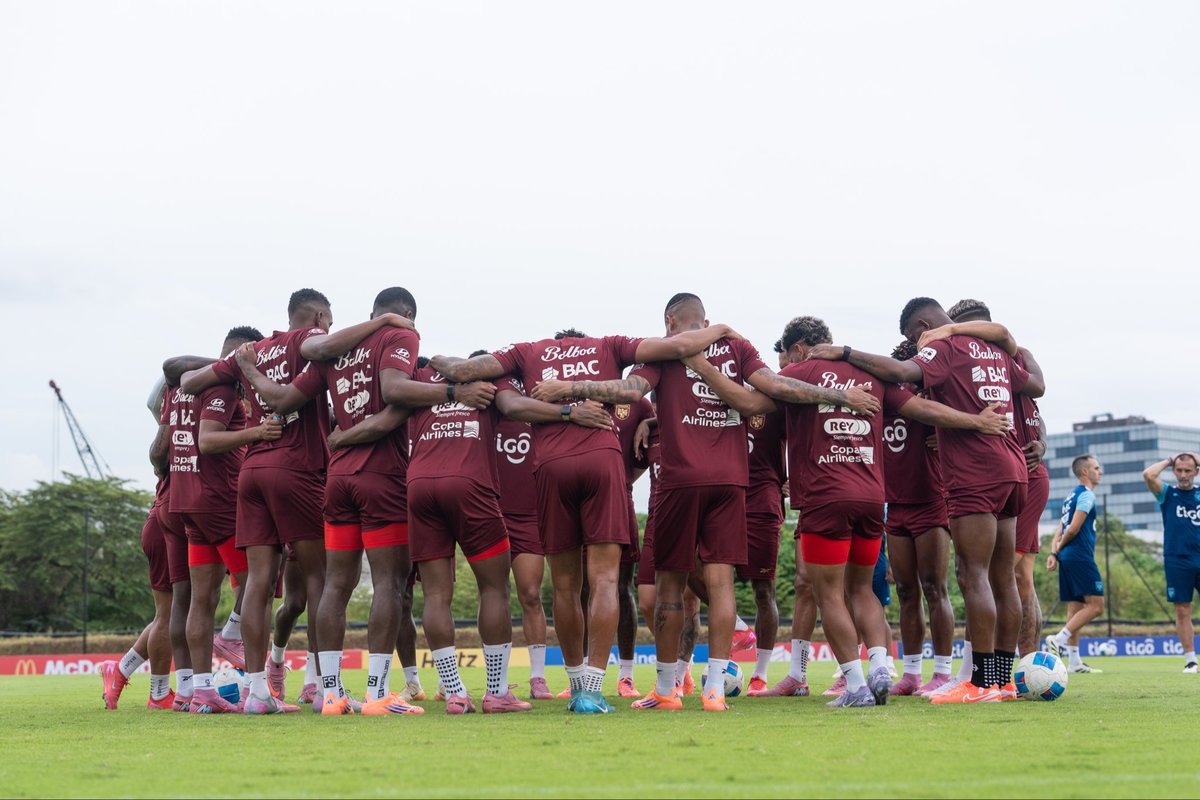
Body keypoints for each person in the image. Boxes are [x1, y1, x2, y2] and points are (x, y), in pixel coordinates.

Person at [533, 297, 880, 711]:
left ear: (669, 320)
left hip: (680, 480)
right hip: (733, 481)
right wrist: (839, 395)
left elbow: (628, 389)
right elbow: (772, 389)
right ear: (707, 321)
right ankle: (715, 690)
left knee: (670, 588)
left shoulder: (666, 350)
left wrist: (567, 389)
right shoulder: (737, 347)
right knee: (721, 584)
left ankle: (666, 691)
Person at [431, 318, 742, 714]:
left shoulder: (526, 351)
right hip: (601, 460)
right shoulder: (609, 345)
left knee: (564, 587)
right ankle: (593, 691)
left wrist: (427, 357)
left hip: (551, 467)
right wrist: (719, 330)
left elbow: (464, 373)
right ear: (584, 342)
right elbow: (677, 346)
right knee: (606, 580)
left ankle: (576, 683)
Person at [733, 315, 1011, 707]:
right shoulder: (872, 374)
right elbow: (923, 411)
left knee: (828, 594)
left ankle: (856, 685)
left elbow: (752, 397)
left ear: (798, 349)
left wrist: (699, 366)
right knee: (863, 590)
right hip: (871, 499)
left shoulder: (798, 372)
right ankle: (881, 665)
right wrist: (977, 422)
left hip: (825, 497)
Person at [181, 288, 413, 713]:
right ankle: (329, 688)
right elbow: (322, 347)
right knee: (323, 581)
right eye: (328, 321)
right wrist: (381, 322)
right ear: (320, 316)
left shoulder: (254, 351)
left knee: (257, 583)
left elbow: (188, 381)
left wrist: (243, 367)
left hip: (251, 472)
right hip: (295, 471)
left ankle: (256, 693)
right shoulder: (300, 341)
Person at [807, 298, 1044, 703]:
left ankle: (979, 683)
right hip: (1013, 469)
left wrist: (845, 353)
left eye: (913, 338)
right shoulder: (995, 350)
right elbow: (1030, 381)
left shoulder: (944, 345)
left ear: (922, 325)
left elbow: (901, 371)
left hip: (976, 472)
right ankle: (1001, 681)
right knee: (1003, 578)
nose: (916, 346)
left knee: (973, 576)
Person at [167, 326, 268, 713]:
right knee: (260, 579)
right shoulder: (223, 390)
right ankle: (248, 668)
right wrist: (257, 432)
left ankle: (198, 691)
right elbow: (208, 441)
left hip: (187, 498)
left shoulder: (180, 390)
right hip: (220, 499)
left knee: (201, 599)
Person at [948, 299, 1050, 659]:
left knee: (1012, 574)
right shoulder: (969, 366)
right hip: (1000, 470)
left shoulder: (1014, 354)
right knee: (1002, 575)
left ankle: (1023, 661)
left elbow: (1037, 394)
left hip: (1024, 473)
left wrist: (1042, 444)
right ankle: (1014, 662)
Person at [880, 340, 955, 698]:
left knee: (934, 588)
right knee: (906, 590)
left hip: (931, 503)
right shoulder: (882, 398)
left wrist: (947, 436)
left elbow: (968, 420)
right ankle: (910, 674)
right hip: (895, 506)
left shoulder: (934, 398)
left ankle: (942, 671)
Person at [480, 347, 555, 701]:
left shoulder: (530, 410)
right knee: (492, 595)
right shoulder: (477, 417)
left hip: (528, 517)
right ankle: (498, 680)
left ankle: (537, 678)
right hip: (488, 513)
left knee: (529, 594)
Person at [1045, 454, 1105, 673]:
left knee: (1076, 607)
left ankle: (1075, 663)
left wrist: (1054, 552)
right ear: (1084, 472)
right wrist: (1059, 549)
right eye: (1097, 468)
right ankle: (1058, 639)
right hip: (1079, 556)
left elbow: (1060, 529)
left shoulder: (1071, 496)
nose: (1101, 471)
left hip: (1067, 556)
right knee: (1097, 606)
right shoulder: (1086, 495)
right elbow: (1072, 529)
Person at [1143, 452, 1200, 673]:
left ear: (1196, 472)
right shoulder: (1167, 493)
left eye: (1188, 470)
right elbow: (1148, 475)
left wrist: (1194, 457)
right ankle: (1190, 660)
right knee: (1182, 610)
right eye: (1179, 470)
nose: (1183, 475)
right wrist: (1170, 459)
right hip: (1177, 560)